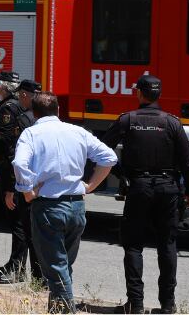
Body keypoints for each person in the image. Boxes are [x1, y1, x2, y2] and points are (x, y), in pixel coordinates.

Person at [12, 89, 116, 314]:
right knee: (63, 267)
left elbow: (19, 164)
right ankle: (56, 310)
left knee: (56, 268)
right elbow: (109, 157)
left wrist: (27, 191)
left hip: (49, 207)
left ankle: (66, 311)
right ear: (58, 110)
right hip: (77, 206)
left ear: (34, 113)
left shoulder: (30, 134)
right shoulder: (78, 132)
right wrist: (90, 186)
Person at [106, 73, 189, 315]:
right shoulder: (172, 122)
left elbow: (102, 149)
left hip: (139, 187)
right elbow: (188, 162)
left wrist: (121, 173)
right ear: (159, 94)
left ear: (139, 93)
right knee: (167, 246)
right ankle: (167, 306)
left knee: (134, 246)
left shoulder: (128, 120)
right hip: (168, 189)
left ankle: (135, 305)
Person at [0, 71, 39, 283]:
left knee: (17, 223)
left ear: (1, 87)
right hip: (13, 170)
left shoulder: (9, 108)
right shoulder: (16, 107)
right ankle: (15, 264)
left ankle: (17, 268)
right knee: (19, 222)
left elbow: (8, 142)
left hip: (9, 169)